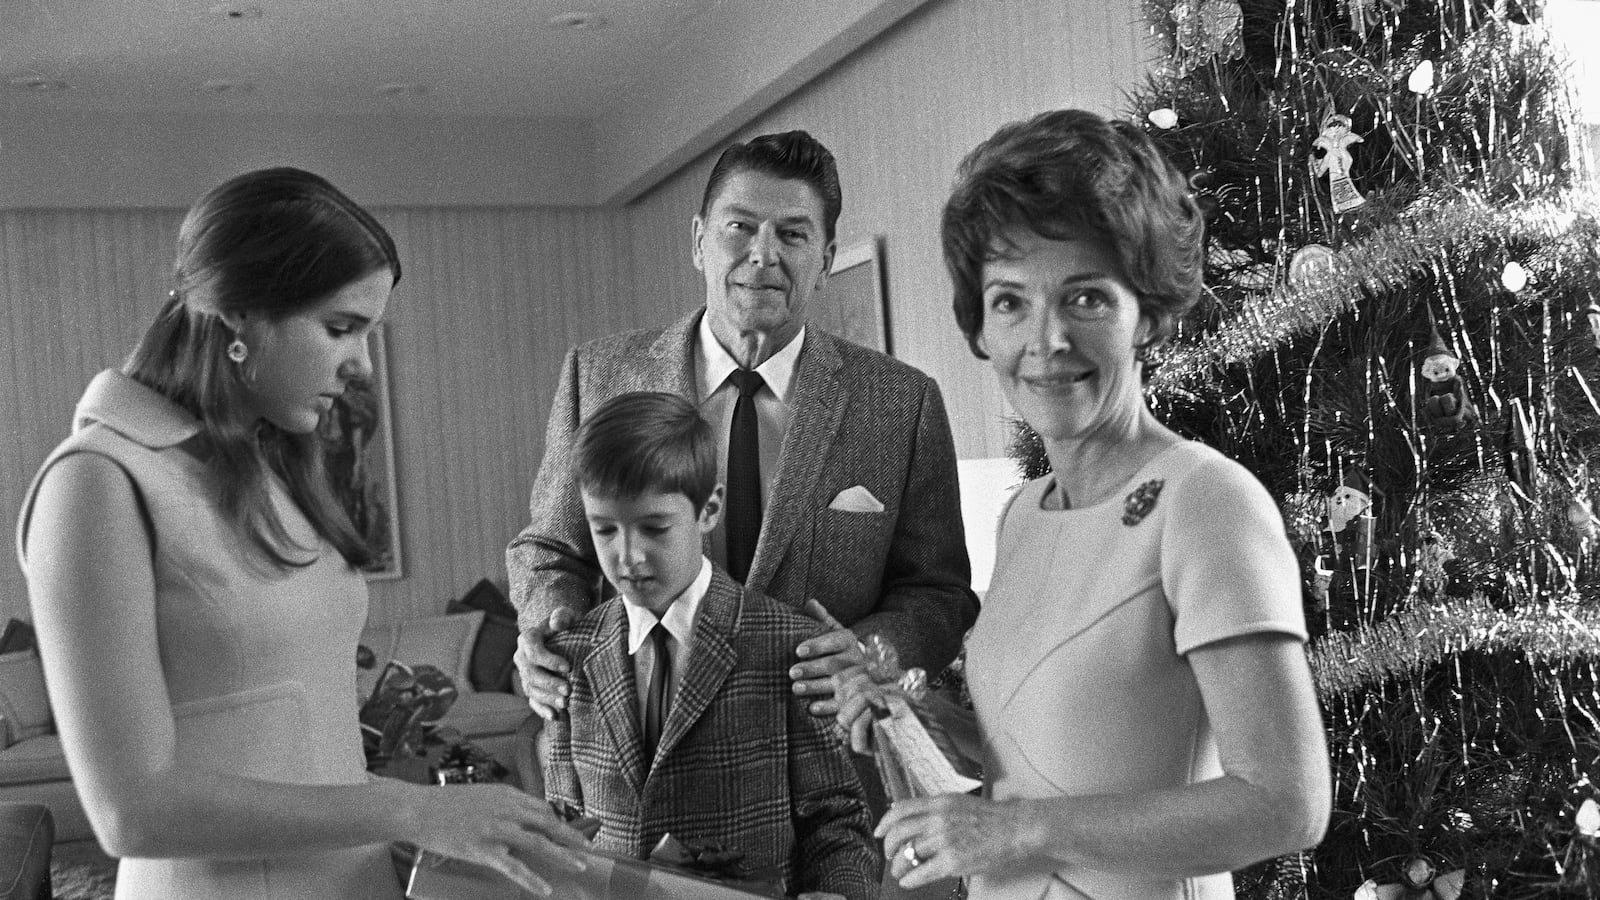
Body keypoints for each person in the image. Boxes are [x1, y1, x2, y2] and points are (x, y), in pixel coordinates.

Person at [15, 168, 588, 900]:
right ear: (240, 318)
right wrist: (412, 810)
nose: (360, 366)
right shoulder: (95, 484)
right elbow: (132, 811)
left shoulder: (269, 467)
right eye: (341, 328)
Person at [834, 109, 1332, 900]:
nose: (1046, 339)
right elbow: (1039, 760)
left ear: (1149, 313)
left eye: (1087, 298)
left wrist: (1019, 832)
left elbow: (1287, 804)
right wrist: (917, 723)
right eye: (1010, 301)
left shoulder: (1206, 501)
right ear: (979, 326)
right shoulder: (1023, 513)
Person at [508, 130, 979, 723]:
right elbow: (551, 549)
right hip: (644, 748)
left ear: (826, 260)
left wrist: (872, 653)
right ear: (700, 241)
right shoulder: (598, 379)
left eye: (793, 233)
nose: (763, 253)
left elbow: (939, 595)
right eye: (740, 227)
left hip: (827, 759)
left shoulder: (900, 403)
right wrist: (552, 625)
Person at [540, 391, 880, 900]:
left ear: (709, 510)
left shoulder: (792, 646)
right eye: (604, 529)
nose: (627, 556)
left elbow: (836, 822)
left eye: (654, 527)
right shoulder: (568, 656)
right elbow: (563, 824)